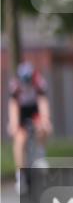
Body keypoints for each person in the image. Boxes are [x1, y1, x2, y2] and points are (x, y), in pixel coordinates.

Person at [7, 62, 53, 195]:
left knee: (43, 128)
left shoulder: (39, 82)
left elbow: (43, 103)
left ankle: (40, 155)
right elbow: (13, 106)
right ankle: (20, 175)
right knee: (20, 139)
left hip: (35, 109)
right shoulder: (15, 85)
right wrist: (14, 124)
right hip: (22, 111)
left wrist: (45, 121)